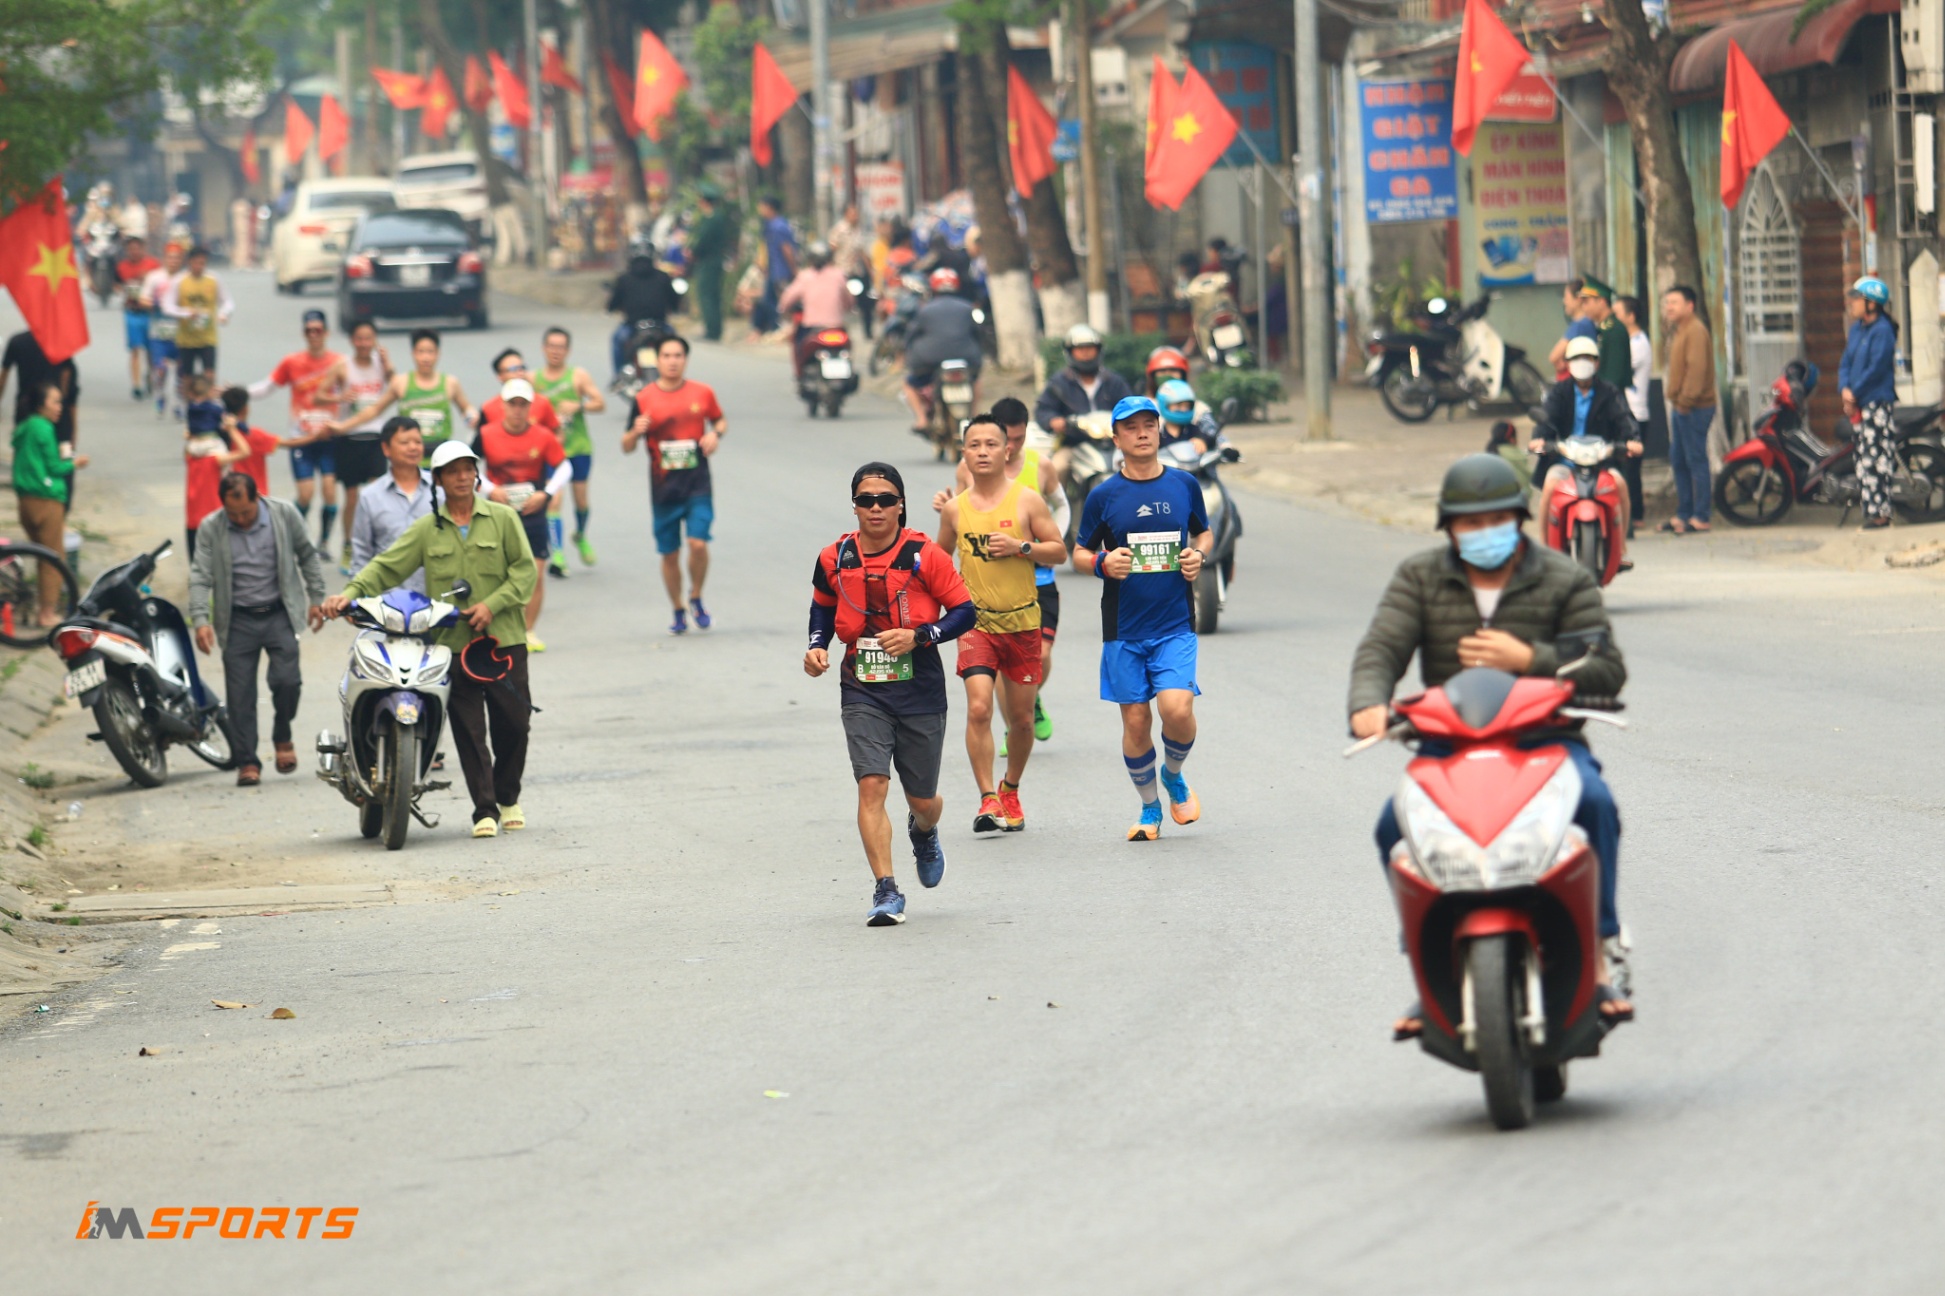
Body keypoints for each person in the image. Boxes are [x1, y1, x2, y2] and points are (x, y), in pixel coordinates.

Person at [1347, 453, 1633, 1034]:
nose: (1484, 532)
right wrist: (1368, 703)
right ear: (1449, 527)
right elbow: (1381, 647)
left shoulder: (1565, 577)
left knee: (1596, 805)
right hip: (1448, 746)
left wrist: (1531, 659)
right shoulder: (1419, 577)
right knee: (1390, 826)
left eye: (1496, 520)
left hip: (1546, 742)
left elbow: (1607, 667)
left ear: (1519, 519)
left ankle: (1601, 955)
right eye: (1470, 523)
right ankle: (1428, 967)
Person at [326, 441, 538, 838]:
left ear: (477, 474)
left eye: (468, 469)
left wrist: (492, 605)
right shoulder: (427, 529)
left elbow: (525, 572)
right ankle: (485, 810)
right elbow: (386, 567)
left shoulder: (503, 518)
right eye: (452, 471)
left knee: (515, 724)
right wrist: (349, 594)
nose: (462, 477)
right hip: (452, 645)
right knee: (469, 731)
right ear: (437, 480)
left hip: (503, 641)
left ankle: (508, 796)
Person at [804, 463, 975, 925]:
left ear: (901, 505)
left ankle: (924, 830)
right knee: (872, 784)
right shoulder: (834, 557)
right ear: (854, 506)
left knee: (923, 800)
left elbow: (964, 612)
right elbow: (822, 608)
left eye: (885, 500)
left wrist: (920, 635)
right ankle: (886, 889)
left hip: (919, 687)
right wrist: (817, 646)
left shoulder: (925, 555)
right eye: (866, 500)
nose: (875, 508)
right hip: (862, 687)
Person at [1071, 396, 1211, 841]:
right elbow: (1079, 552)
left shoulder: (1184, 484)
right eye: (1131, 427)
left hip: (1174, 624)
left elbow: (1203, 532)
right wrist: (1102, 563)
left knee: (1177, 709)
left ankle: (1173, 774)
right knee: (1136, 722)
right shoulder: (1104, 495)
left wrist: (1198, 555)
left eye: (1149, 424)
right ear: (1117, 439)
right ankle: (1150, 808)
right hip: (1124, 628)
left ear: (1160, 430)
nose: (1142, 433)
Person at [935, 415, 1066, 833]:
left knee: (1021, 720)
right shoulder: (954, 510)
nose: (983, 452)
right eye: (974, 445)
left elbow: (1059, 551)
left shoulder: (1027, 501)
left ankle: (1010, 787)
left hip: (1023, 622)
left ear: (1006, 450)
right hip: (976, 624)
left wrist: (1021, 547)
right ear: (964, 454)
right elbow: (938, 564)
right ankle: (987, 797)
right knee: (978, 707)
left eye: (991, 444)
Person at [188, 473, 327, 786]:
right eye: (233, 514)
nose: (240, 519)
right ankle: (247, 760)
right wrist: (200, 619)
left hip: (278, 614)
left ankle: (282, 734)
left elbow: (307, 555)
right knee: (240, 696)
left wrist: (317, 598)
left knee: (287, 681)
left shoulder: (284, 515)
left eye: (246, 512)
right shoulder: (212, 527)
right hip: (237, 620)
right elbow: (200, 575)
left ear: (257, 498)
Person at [623, 334, 724, 635]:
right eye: (666, 356)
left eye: (678, 355)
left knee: (698, 543)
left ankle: (696, 596)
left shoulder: (702, 392)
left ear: (685, 359)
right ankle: (678, 608)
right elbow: (626, 445)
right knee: (669, 553)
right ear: (657, 360)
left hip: (697, 484)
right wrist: (635, 432)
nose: (672, 361)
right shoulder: (644, 398)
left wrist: (715, 435)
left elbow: (720, 420)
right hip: (664, 488)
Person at [475, 378, 570, 652]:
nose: (517, 410)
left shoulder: (543, 436)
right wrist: (491, 489)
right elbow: (469, 466)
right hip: (497, 515)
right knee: (496, 574)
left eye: (522, 405)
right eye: (512, 404)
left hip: (532, 513)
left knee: (536, 573)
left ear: (530, 407)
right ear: (503, 406)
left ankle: (528, 631)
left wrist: (546, 494)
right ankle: (496, 631)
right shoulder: (487, 434)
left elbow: (565, 467)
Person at [1534, 336, 1641, 561]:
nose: (1582, 362)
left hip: (1600, 460)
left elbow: (1624, 418)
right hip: (1566, 460)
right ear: (1567, 363)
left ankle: (1621, 546)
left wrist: (1633, 440)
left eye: (1588, 358)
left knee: (1620, 485)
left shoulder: (1609, 392)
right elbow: (1546, 418)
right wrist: (1539, 440)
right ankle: (1544, 547)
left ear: (1597, 363)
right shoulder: (1559, 392)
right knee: (1549, 487)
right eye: (1576, 358)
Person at [247, 309, 346, 544]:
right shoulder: (292, 362)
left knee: (330, 492)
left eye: (318, 330)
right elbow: (267, 387)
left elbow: (350, 394)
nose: (313, 335)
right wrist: (239, 393)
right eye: (309, 331)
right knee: (305, 494)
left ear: (326, 332)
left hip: (329, 438)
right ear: (304, 333)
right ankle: (295, 538)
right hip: (301, 438)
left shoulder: (339, 363)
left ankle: (323, 543)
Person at [11, 384, 88, 624]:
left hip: (26, 502)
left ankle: (42, 608)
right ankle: (46, 614)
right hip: (46, 500)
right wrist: (75, 463)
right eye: (54, 401)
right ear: (41, 404)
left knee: (41, 555)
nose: (59, 407)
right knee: (53, 559)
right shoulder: (44, 428)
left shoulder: (25, 427)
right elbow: (54, 467)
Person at [332, 328, 474, 453]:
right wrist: (343, 426)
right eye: (421, 352)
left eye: (430, 352)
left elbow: (467, 410)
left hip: (439, 452)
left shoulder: (450, 383)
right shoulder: (401, 383)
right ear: (413, 353)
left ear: (438, 354)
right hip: (411, 456)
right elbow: (375, 410)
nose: (425, 358)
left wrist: (472, 418)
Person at [534, 327, 607, 572]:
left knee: (581, 501)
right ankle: (558, 555)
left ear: (568, 350)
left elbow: (600, 403)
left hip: (578, 448)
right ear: (544, 348)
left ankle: (580, 534)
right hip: (550, 452)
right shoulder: (534, 380)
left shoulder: (578, 376)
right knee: (554, 501)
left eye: (561, 347)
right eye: (551, 346)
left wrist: (579, 406)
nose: (556, 351)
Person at [1035, 323, 1133, 487]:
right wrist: (1054, 421)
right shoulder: (1059, 383)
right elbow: (1043, 409)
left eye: (1090, 348)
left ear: (1098, 350)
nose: (1085, 353)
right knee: (1058, 467)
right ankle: (1058, 503)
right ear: (1070, 352)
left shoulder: (1114, 381)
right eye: (1080, 349)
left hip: (1115, 443)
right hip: (1074, 444)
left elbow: (1129, 405)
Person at [332, 320, 395, 569]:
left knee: (377, 494)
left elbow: (397, 385)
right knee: (351, 497)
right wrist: (339, 397)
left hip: (376, 437)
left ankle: (375, 546)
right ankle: (348, 545)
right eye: (359, 338)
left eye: (368, 338)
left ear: (375, 340)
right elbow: (319, 394)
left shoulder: (382, 364)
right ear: (352, 340)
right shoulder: (343, 366)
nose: (364, 343)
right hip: (349, 437)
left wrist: (387, 363)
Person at [1841, 276, 1901, 531]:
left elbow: (1876, 369)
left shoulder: (1883, 331)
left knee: (1876, 459)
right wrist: (1844, 389)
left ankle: (1881, 515)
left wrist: (1853, 394)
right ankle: (1871, 512)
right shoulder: (1857, 330)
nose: (1851, 303)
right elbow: (1846, 362)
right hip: (1857, 403)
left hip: (1876, 402)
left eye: (1857, 299)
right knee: (1862, 459)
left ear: (1872, 303)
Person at [350, 417, 432, 592]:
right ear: (386, 448)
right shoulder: (370, 497)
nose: (413, 447)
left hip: (435, 597)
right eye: (405, 442)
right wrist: (356, 595)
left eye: (418, 442)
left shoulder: (440, 490)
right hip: (387, 599)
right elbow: (361, 553)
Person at [1659, 285, 1716, 534]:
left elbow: (1696, 371)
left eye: (1674, 302)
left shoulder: (1695, 330)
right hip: (1681, 406)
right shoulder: (1680, 330)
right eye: (1667, 303)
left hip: (1694, 408)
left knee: (1696, 460)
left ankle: (1701, 516)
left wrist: (1685, 401)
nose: (1669, 307)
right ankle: (1684, 513)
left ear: (1690, 305)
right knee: (1679, 460)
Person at [899, 268, 983, 432]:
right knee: (976, 379)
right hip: (967, 357)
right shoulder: (967, 308)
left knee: (909, 384)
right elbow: (978, 333)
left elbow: (911, 335)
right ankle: (975, 415)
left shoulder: (925, 309)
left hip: (930, 359)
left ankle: (922, 420)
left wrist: (905, 351)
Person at [161, 245, 233, 397]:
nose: (199, 267)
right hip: (186, 338)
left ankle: (208, 404)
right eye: (196, 263)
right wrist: (185, 313)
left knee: (209, 374)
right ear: (190, 262)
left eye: (203, 263)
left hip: (208, 337)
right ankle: (189, 405)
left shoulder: (213, 279)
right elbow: (167, 306)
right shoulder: (179, 281)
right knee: (187, 377)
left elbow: (227, 301)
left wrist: (223, 314)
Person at [777, 241, 854, 379]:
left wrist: (783, 309)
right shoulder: (838, 275)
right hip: (837, 327)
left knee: (798, 344)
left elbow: (786, 300)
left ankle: (800, 374)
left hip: (812, 328)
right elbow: (849, 302)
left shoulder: (805, 276)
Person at [606, 245, 681, 374]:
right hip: (660, 325)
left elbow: (613, 303)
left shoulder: (624, 279)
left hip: (632, 326)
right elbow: (674, 302)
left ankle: (619, 375)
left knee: (617, 340)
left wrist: (611, 308)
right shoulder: (663, 277)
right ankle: (676, 375)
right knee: (676, 345)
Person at [1613, 294, 1652, 528]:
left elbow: (1618, 369)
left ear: (1630, 316)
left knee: (1631, 468)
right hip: (1626, 412)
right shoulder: (1628, 341)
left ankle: (1636, 515)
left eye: (1617, 315)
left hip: (1635, 414)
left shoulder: (1638, 344)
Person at [219, 386, 289, 501]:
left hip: (230, 497)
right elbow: (289, 444)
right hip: (257, 497)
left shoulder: (220, 434)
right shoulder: (255, 435)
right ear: (245, 408)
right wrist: (315, 437)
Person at [139, 242, 185, 417]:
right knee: (161, 368)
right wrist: (155, 303)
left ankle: (179, 403)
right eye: (170, 257)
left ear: (182, 260)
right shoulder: (154, 277)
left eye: (177, 258)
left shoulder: (185, 279)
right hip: (158, 332)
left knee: (181, 371)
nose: (173, 261)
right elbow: (143, 299)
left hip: (181, 333)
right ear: (164, 258)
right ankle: (160, 395)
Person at [115, 235, 160, 399]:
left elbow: (161, 285)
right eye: (130, 249)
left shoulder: (153, 265)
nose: (134, 252)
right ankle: (136, 385)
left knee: (150, 349)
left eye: (137, 248)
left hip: (150, 313)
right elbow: (116, 284)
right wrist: (123, 289)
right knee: (135, 349)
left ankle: (150, 376)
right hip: (132, 312)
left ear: (143, 249)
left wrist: (146, 280)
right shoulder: (121, 267)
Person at [476, 348, 562, 435]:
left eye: (522, 368)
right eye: (514, 369)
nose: (520, 373)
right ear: (500, 376)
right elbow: (482, 437)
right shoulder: (488, 408)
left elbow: (557, 433)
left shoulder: (542, 403)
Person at [687, 183, 732, 343]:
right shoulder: (717, 216)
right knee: (713, 295)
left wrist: (692, 252)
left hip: (708, 261)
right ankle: (715, 328)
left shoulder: (711, 218)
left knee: (707, 295)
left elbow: (703, 241)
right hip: (714, 260)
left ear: (705, 201)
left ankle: (712, 330)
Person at [749, 196, 797, 337]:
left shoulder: (779, 226)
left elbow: (786, 248)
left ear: (769, 207)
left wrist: (793, 268)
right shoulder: (769, 225)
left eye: (762, 206)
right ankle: (775, 327)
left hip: (781, 270)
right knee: (769, 299)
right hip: (772, 270)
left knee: (781, 300)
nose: (760, 209)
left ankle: (783, 327)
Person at [1547, 276, 1594, 378]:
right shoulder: (1587, 322)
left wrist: (1563, 362)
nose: (1564, 301)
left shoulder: (1580, 325)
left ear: (1578, 299)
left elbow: (1554, 356)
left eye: (1567, 297)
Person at [1157, 379, 1220, 452]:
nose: (1183, 409)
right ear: (1165, 404)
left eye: (1187, 406)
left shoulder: (1193, 429)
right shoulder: (1158, 435)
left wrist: (1202, 441)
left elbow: (1210, 439)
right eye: (1179, 405)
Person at [1484, 420, 1532, 500]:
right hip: (1517, 497)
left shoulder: (1491, 451)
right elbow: (1530, 474)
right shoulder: (1516, 454)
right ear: (1512, 439)